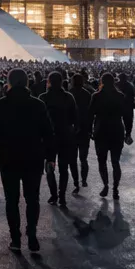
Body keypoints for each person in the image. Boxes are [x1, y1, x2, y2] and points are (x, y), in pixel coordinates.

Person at [0, 68, 54, 252]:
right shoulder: (37, 104)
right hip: (33, 157)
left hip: (8, 157)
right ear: (27, 82)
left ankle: (15, 238)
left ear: (9, 82)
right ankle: (32, 236)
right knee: (33, 199)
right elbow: (48, 133)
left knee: (11, 200)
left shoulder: (1, 104)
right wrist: (51, 157)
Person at [89, 73, 131, 197]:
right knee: (115, 161)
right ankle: (115, 188)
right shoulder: (120, 96)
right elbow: (127, 115)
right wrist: (128, 132)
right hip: (117, 130)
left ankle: (106, 185)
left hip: (101, 130)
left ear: (101, 82)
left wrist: (90, 130)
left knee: (102, 161)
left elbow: (90, 114)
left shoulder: (96, 96)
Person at [40, 71, 79, 201]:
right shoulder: (69, 97)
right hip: (65, 135)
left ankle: (54, 194)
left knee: (49, 165)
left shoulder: (43, 98)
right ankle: (62, 194)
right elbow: (75, 117)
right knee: (63, 166)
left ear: (49, 82)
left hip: (49, 136)